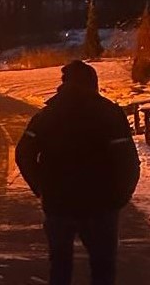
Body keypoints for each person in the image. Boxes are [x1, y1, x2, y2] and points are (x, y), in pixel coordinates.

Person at [15, 60, 140, 285]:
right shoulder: (109, 114)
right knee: (103, 267)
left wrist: (41, 189)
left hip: (58, 203)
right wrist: (120, 196)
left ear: (64, 84)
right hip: (101, 204)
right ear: (93, 83)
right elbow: (127, 160)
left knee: (60, 267)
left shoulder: (47, 116)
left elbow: (24, 153)